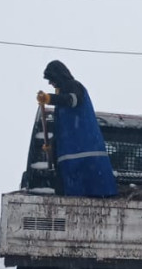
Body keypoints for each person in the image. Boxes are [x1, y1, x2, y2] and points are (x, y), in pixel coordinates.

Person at [37, 60, 118, 198]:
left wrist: (50, 98)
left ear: (58, 76)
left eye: (51, 80)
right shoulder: (62, 103)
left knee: (85, 189)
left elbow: (72, 100)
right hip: (74, 157)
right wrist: (52, 147)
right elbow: (61, 130)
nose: (51, 84)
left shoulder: (74, 86)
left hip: (82, 155)